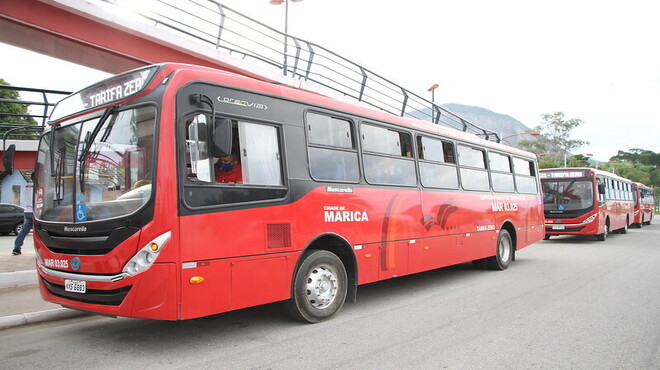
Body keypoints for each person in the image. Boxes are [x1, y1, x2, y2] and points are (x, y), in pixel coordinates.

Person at [12, 172, 34, 256]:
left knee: (23, 231)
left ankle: (16, 248)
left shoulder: (27, 186)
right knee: (41, 232)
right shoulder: (37, 186)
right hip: (35, 211)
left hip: (27, 210)